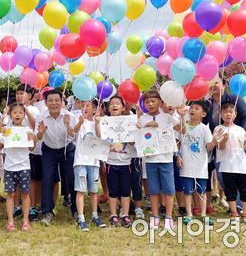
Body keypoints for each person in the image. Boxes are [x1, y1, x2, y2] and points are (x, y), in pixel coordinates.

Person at [204, 76, 246, 216]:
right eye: (210, 83)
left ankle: (239, 207)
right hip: (222, 146)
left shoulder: (234, 98)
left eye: (216, 82)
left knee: (240, 175)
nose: (213, 85)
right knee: (223, 176)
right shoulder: (207, 103)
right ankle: (234, 207)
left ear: (224, 85)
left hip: (240, 143)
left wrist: (245, 135)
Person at [138, 90, 180, 230]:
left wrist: (181, 115)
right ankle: (155, 216)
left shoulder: (167, 117)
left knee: (169, 189)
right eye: (147, 102)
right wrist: (142, 127)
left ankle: (168, 217)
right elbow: (137, 137)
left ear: (160, 103)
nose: (150, 104)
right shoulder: (142, 119)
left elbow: (181, 129)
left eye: (153, 101)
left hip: (166, 158)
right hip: (150, 160)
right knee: (153, 190)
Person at [35, 90, 76, 226]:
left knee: (71, 179)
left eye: (57, 100)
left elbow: (73, 136)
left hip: (67, 149)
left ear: (62, 102)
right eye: (50, 100)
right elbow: (38, 137)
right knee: (47, 178)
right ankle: (47, 212)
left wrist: (68, 125)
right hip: (49, 151)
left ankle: (76, 210)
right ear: (45, 103)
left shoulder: (69, 115)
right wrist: (41, 133)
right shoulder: (41, 117)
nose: (54, 103)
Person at [213, 102, 246, 223]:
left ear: (235, 114)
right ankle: (234, 213)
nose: (228, 114)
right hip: (227, 167)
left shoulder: (241, 130)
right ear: (221, 114)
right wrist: (224, 140)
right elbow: (220, 148)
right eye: (225, 112)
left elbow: (245, 148)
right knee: (230, 191)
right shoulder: (218, 129)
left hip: (241, 166)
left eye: (231, 112)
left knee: (245, 191)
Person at [175, 100, 215, 225]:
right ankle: (189, 214)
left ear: (203, 114)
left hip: (201, 167)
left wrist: (215, 141)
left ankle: (203, 214)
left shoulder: (204, 129)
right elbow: (178, 142)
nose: (192, 110)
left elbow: (209, 146)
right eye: (191, 108)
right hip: (185, 166)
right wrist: (178, 156)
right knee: (187, 191)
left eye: (197, 108)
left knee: (202, 191)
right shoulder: (183, 126)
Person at [105, 96, 142, 227]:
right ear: (108, 108)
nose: (114, 105)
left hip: (126, 163)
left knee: (126, 191)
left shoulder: (129, 122)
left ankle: (125, 215)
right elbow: (101, 141)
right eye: (112, 104)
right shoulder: (105, 123)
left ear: (123, 108)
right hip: (111, 162)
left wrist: (135, 130)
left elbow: (133, 142)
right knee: (113, 191)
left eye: (117, 104)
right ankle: (113, 214)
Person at [0, 103, 34, 231]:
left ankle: (25, 220)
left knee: (25, 194)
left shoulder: (27, 130)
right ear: (10, 115)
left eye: (20, 112)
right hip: (9, 167)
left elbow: (31, 147)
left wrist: (33, 138)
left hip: (24, 166)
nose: (17, 115)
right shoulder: (7, 129)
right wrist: (3, 115)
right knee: (10, 194)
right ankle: (10, 221)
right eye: (14, 113)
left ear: (24, 115)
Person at [73, 100, 106, 231]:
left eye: (88, 106)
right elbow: (73, 132)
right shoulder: (79, 120)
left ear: (94, 109)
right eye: (83, 105)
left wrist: (97, 123)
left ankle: (95, 215)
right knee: (81, 190)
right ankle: (81, 218)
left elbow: (100, 137)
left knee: (93, 190)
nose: (85, 108)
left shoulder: (98, 122)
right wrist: (80, 122)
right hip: (80, 161)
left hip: (93, 161)